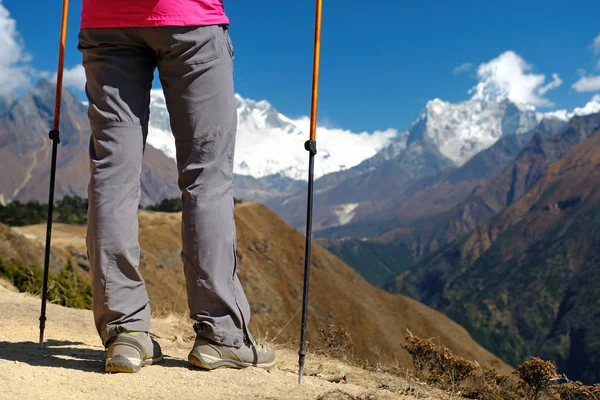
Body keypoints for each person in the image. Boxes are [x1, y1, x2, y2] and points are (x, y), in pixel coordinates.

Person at [78, 0, 275, 373]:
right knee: (207, 177)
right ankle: (221, 335)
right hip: (188, 18)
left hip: (105, 21)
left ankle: (125, 332)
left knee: (113, 173)